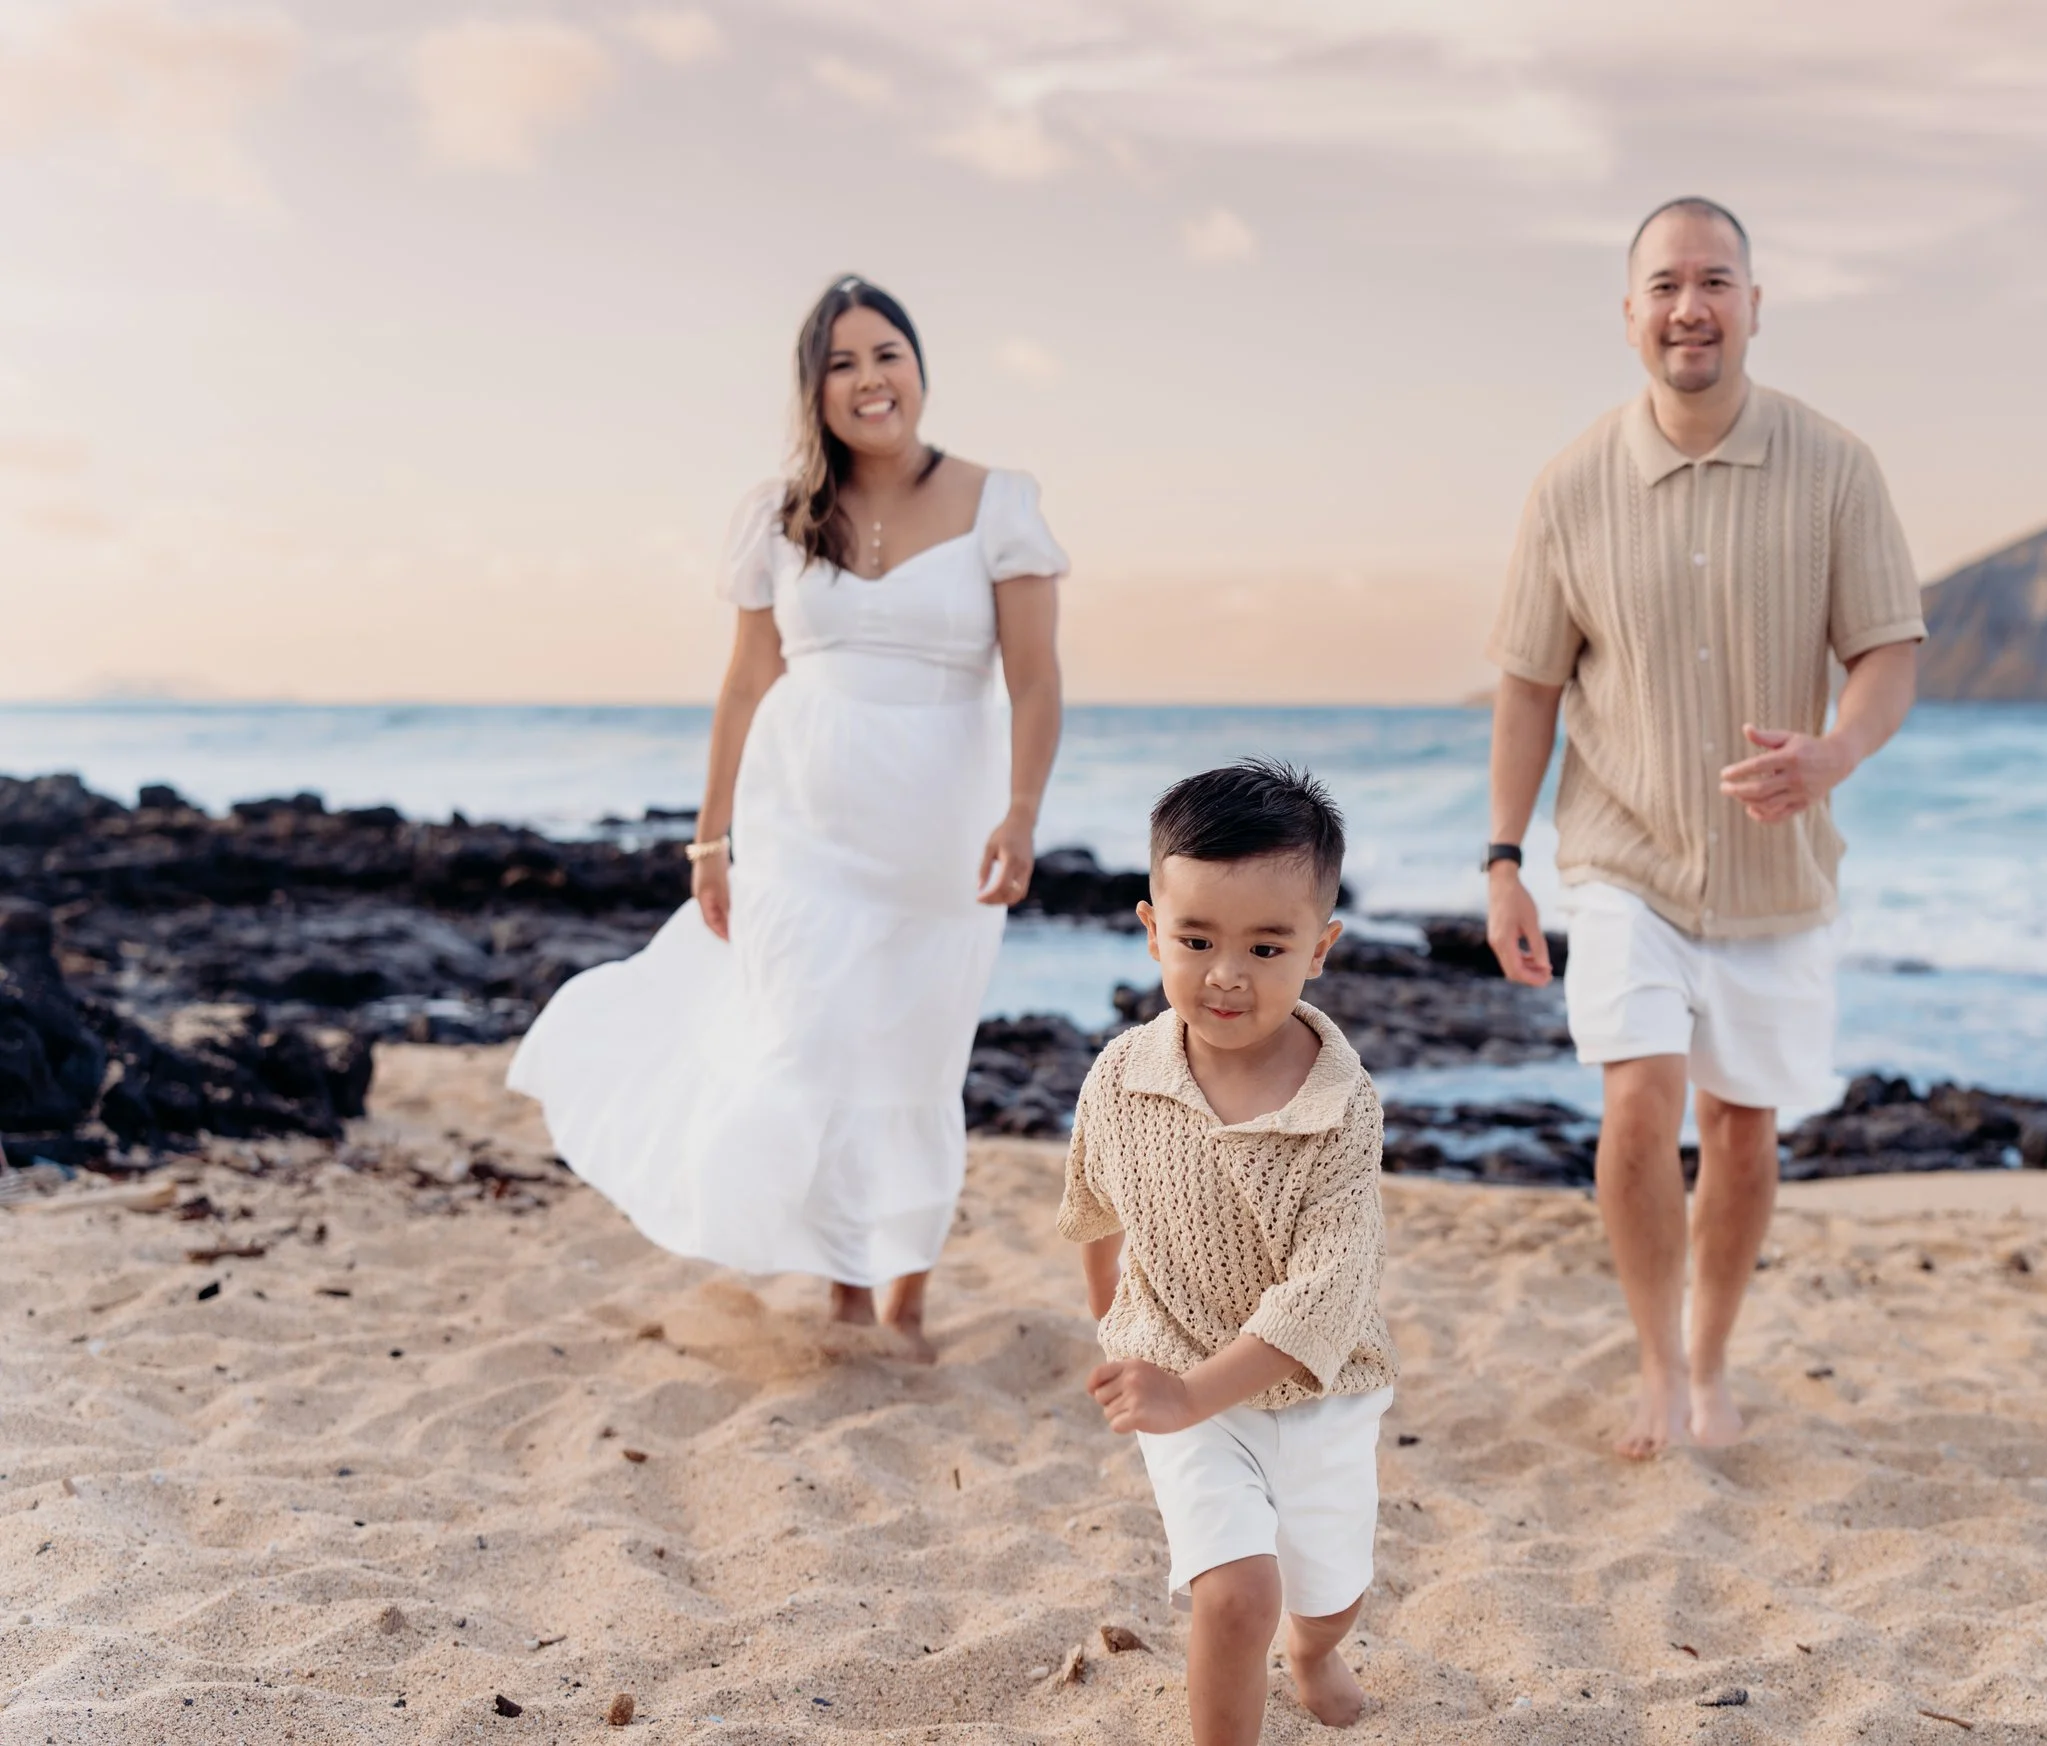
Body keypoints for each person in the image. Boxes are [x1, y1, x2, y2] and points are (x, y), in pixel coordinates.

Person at [508, 274, 1068, 1362]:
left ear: (920, 368)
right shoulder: (775, 515)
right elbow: (744, 680)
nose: (870, 380)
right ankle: (842, 1292)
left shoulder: (1001, 504)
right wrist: (709, 839)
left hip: (936, 839)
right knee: (808, 1044)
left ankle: (901, 1300)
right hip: (799, 828)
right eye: (842, 363)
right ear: (814, 391)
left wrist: (1022, 813)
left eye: (886, 354)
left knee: (909, 1060)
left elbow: (1038, 682)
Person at [1482, 198, 1925, 1456]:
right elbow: (1526, 686)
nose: (1691, 306)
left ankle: (1710, 1358)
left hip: (1776, 872)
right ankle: (1651, 1369)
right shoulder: (1570, 486)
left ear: (1753, 304)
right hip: (1622, 852)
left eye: (1716, 281)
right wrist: (1504, 860)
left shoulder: (1835, 465)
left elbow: (1887, 652)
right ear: (1630, 315)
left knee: (1738, 1127)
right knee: (1637, 1097)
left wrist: (1834, 752)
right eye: (1666, 284)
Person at [1058, 761, 1396, 1745]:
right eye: (1197, 938)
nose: (1226, 973)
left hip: (1322, 1388)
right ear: (1151, 928)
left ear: (1320, 948)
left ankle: (1317, 1651)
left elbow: (1327, 1294)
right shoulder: (1123, 1074)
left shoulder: (1341, 1106)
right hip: (1181, 1376)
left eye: (1266, 944)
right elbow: (1095, 1206)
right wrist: (1123, 1340)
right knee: (1239, 1592)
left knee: (1324, 1594)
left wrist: (1192, 1392)